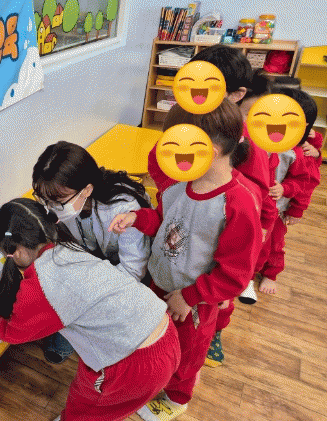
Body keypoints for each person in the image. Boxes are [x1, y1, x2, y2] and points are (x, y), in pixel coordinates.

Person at [111, 99, 262, 421]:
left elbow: (235, 274)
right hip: (159, 282)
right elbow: (165, 222)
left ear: (212, 150)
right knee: (156, 338)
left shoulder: (238, 203)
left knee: (187, 354)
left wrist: (191, 296)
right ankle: (154, 376)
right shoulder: (176, 185)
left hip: (194, 302)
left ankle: (176, 399)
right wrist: (138, 218)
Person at [0, 198, 180, 421]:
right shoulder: (67, 247)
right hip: (165, 334)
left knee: (88, 409)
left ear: (17, 252)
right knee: (102, 403)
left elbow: (14, 332)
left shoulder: (41, 285)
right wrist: (1, 303)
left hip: (135, 366)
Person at [148, 45, 277, 368]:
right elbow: (158, 161)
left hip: (208, 275)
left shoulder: (242, 155)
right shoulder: (187, 130)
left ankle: (214, 332)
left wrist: (216, 293)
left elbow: (255, 211)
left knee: (204, 325)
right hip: (178, 250)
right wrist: (175, 192)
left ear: (236, 94)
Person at [31, 141, 152, 363]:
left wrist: (85, 293)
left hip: (126, 275)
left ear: (87, 189)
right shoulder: (66, 204)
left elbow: (133, 270)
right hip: (93, 263)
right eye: (45, 200)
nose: (50, 208)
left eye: (57, 201)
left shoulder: (123, 208)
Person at [255, 87, 318, 295]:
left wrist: (286, 190)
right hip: (255, 205)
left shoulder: (296, 152)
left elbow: (304, 181)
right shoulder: (259, 139)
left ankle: (270, 273)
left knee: (274, 244)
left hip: (277, 210)